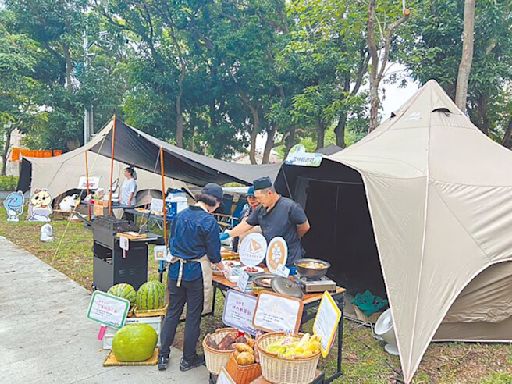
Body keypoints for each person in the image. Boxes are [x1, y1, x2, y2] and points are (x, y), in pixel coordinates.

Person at [158, 183, 224, 372]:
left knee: (172, 313)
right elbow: (214, 255)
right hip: (195, 274)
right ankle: (188, 359)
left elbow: (172, 241)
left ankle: (163, 355)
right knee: (193, 317)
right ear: (215, 203)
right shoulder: (209, 221)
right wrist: (223, 268)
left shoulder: (180, 215)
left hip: (175, 269)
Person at [226, 176, 310, 267]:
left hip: (289, 258)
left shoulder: (290, 207)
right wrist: (229, 234)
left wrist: (293, 237)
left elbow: (304, 227)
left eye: (259, 198)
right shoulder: (261, 209)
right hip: (270, 257)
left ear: (269, 193)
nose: (257, 200)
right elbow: (247, 224)